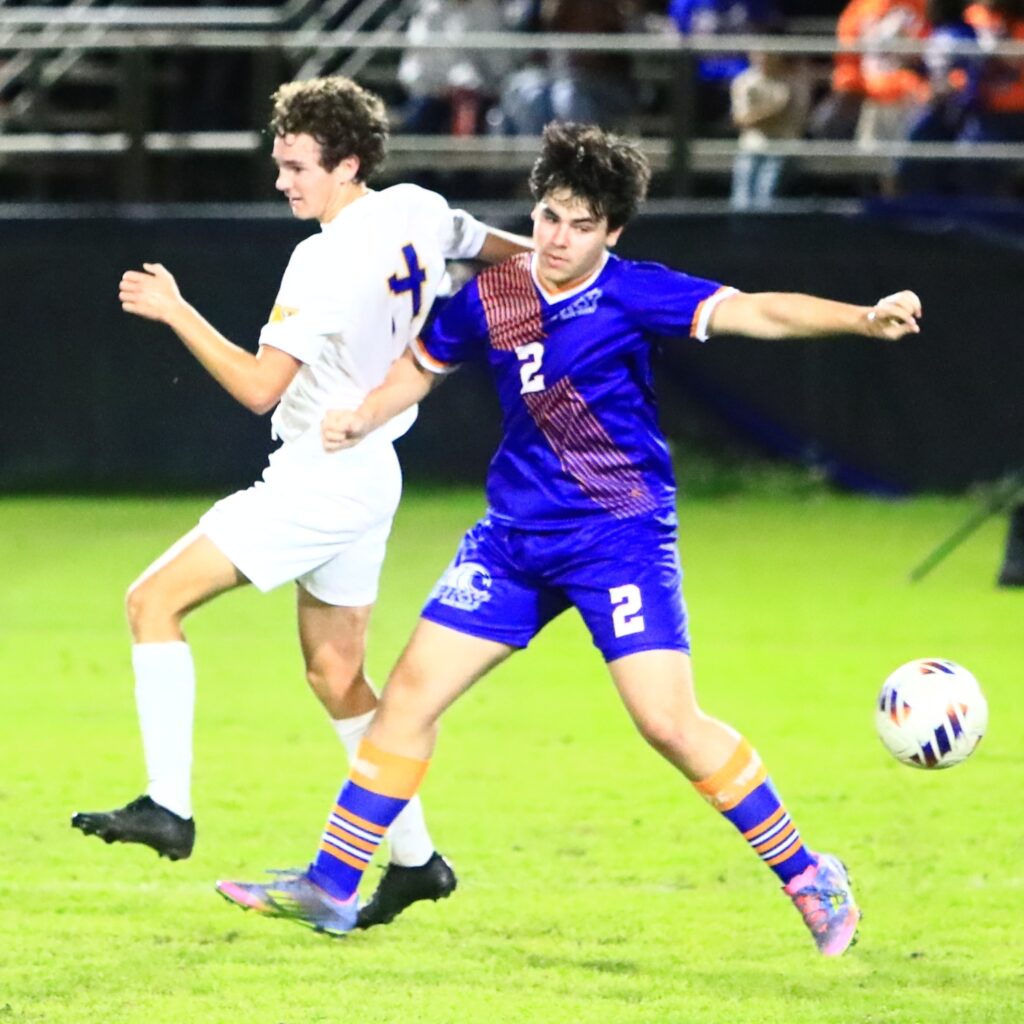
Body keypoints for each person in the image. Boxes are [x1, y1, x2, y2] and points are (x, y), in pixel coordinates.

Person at [215, 121, 922, 954]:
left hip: (617, 536)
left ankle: (810, 875)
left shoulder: (634, 292)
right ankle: (332, 885)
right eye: (549, 217)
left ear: (611, 232)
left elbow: (757, 311)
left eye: (581, 225)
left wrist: (862, 318)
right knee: (407, 700)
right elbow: (423, 363)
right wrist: (366, 414)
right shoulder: (494, 293)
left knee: (668, 722)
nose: (557, 238)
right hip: (512, 542)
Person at [70, 75, 531, 929]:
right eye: (279, 164)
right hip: (371, 471)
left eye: (297, 167)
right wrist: (569, 269)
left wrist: (175, 310)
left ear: (348, 164)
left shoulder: (324, 258)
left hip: (321, 475)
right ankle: (417, 863)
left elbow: (257, 388)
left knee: (151, 602)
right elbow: (498, 248)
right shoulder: (419, 208)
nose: (282, 181)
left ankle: (168, 806)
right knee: (335, 675)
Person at [729, 49, 810, 209]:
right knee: (741, 200)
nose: (762, 57)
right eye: (757, 52)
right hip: (752, 145)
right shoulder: (744, 81)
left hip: (784, 145)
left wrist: (762, 115)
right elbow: (741, 119)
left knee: (766, 196)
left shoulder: (794, 82)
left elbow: (799, 122)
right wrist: (775, 109)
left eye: (767, 53)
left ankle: (764, 224)